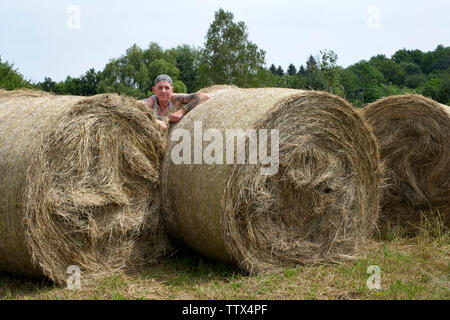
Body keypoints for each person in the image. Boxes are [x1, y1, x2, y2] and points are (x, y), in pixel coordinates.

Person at [142, 74, 209, 130]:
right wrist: (154, 121)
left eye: (167, 88)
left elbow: (204, 97)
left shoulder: (176, 99)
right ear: (154, 90)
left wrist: (182, 111)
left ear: (172, 90)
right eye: (160, 88)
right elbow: (133, 108)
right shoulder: (150, 101)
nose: (163, 91)